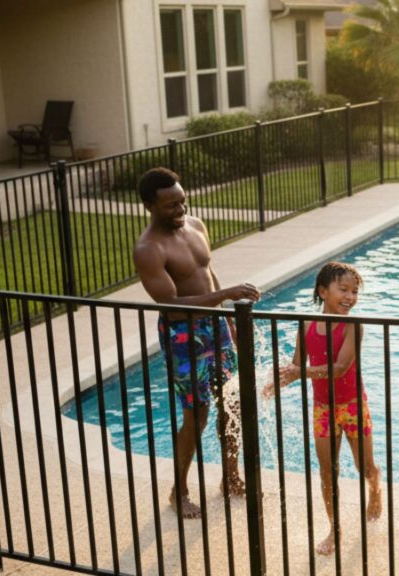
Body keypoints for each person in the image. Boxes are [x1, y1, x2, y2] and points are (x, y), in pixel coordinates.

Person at [133, 167, 261, 519]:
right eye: (171, 205)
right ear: (149, 206)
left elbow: (207, 273)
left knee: (230, 404)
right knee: (197, 415)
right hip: (183, 336)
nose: (180, 210)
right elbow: (170, 306)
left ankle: (231, 478)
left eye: (182, 201)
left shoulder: (196, 226)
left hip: (215, 327)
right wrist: (227, 294)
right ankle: (180, 491)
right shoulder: (148, 249)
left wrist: (228, 317)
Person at [264, 261, 382, 555]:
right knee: (327, 473)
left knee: (364, 467)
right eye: (343, 290)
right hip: (323, 410)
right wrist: (275, 383)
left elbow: (341, 368)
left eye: (355, 292)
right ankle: (335, 529)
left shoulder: (353, 326)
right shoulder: (306, 326)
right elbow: (296, 365)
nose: (350, 297)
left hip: (353, 405)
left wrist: (297, 374)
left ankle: (375, 490)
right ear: (322, 291)